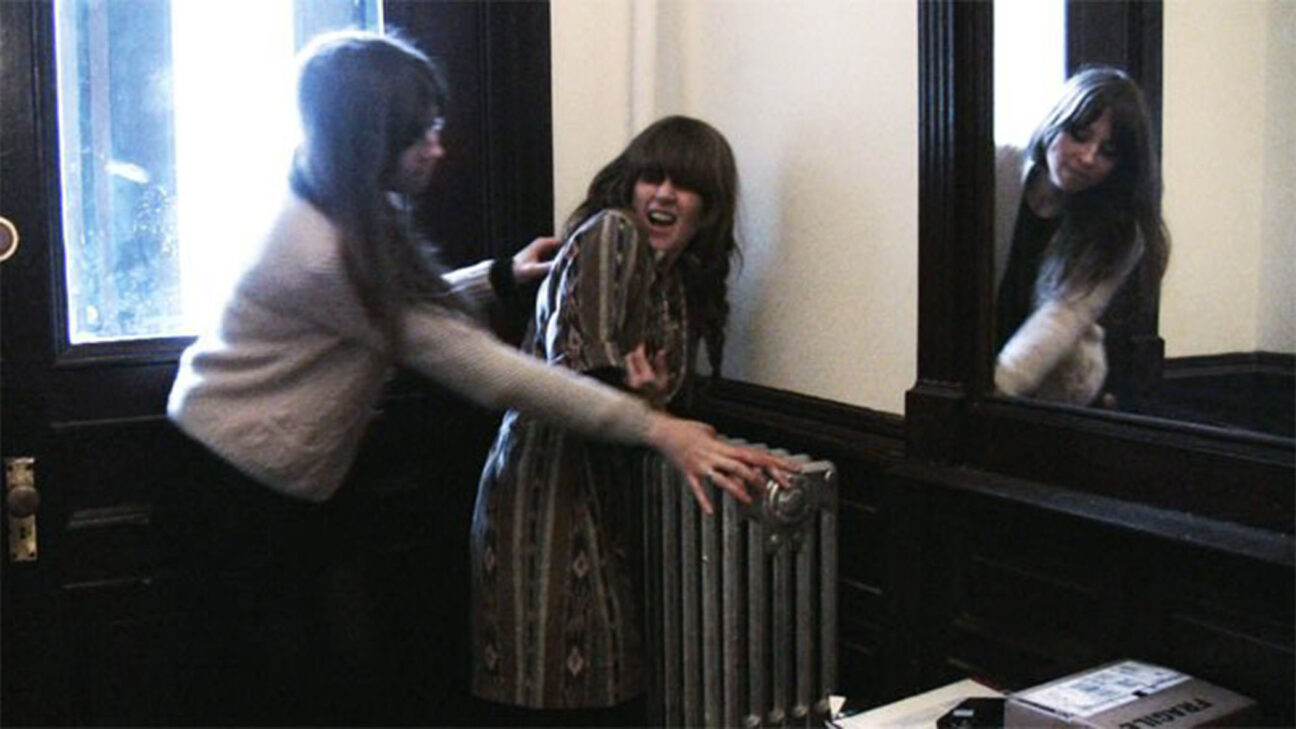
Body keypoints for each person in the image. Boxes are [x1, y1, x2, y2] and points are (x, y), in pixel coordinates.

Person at [160, 32, 789, 726]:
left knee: (342, 675)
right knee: (282, 692)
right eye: (422, 134)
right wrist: (657, 427)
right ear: (373, 141)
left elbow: (394, 311)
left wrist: (499, 277)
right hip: (231, 486)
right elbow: (487, 370)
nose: (437, 147)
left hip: (290, 487)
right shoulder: (321, 250)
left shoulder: (344, 203)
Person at [468, 116, 755, 723]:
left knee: (594, 684)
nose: (664, 194)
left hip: (598, 501)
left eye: (684, 184)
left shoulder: (675, 285)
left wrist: (644, 402)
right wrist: (637, 399)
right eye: (652, 177)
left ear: (709, 208)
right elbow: (574, 377)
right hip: (547, 498)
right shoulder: (613, 233)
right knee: (558, 687)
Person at [993, 66, 1169, 406]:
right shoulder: (999, 168)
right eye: (1079, 134)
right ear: (1054, 122)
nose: (1088, 157)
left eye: (1108, 151)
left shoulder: (1119, 231)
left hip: (1055, 390)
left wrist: (995, 388)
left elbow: (1063, 316)